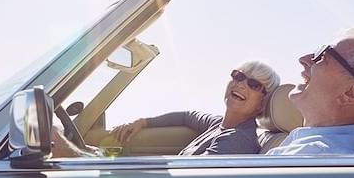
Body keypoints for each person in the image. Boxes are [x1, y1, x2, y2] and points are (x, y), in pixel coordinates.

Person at [109, 60, 280, 155]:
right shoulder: (219, 124)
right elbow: (186, 116)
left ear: (262, 105)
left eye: (254, 85)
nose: (241, 84)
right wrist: (143, 122)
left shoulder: (237, 140)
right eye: (238, 76)